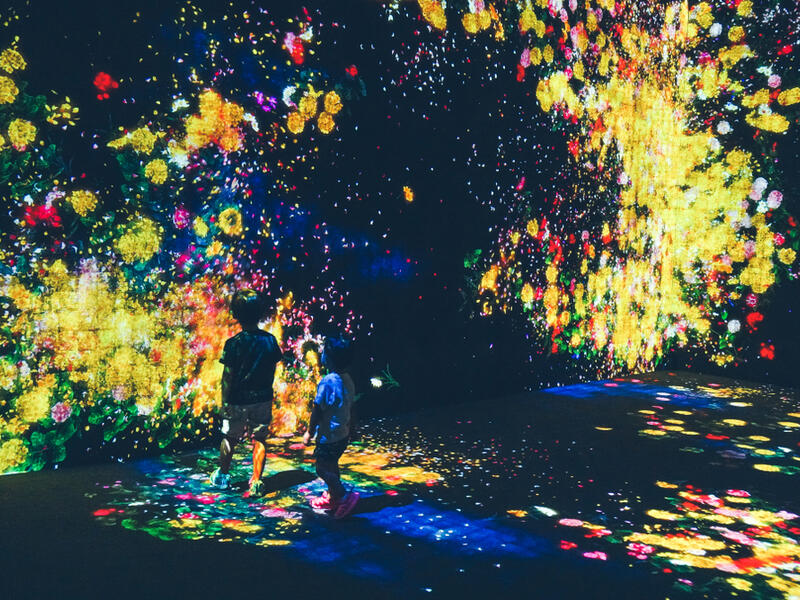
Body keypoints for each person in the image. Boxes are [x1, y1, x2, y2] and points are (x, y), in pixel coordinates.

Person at [210, 289, 282, 497]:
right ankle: (257, 480)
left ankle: (223, 475)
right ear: (260, 314)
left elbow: (227, 377)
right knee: (259, 439)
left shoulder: (233, 344)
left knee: (229, 437)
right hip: (262, 398)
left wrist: (224, 401)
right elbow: (272, 366)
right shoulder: (269, 341)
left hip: (237, 401)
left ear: (235, 315)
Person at [303, 336, 359, 518]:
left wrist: (309, 431)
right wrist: (354, 428)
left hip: (329, 437)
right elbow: (352, 406)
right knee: (332, 464)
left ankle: (343, 496)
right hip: (342, 435)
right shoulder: (348, 379)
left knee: (321, 469)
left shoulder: (328, 381)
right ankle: (333, 496)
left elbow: (317, 409)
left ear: (329, 358)